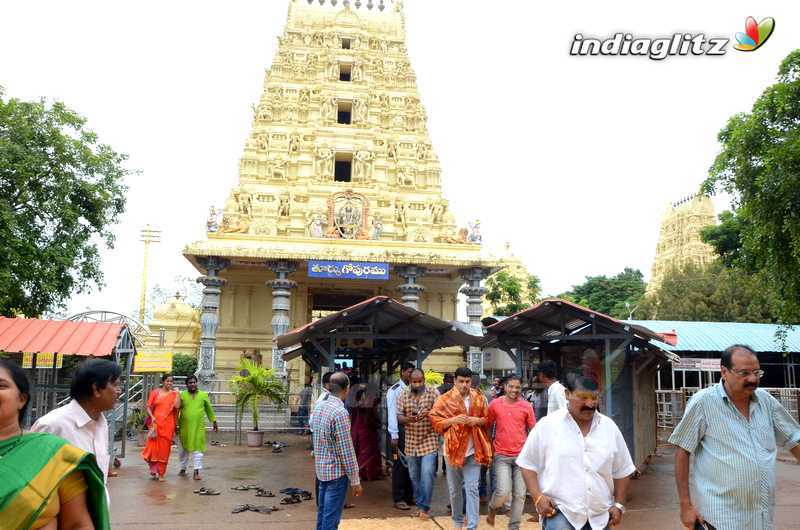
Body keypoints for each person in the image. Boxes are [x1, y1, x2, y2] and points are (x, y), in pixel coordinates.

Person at [670, 344, 800, 530]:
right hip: (722, 518)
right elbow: (682, 451)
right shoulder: (703, 403)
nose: (752, 379)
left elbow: (794, 438)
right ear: (724, 372)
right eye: (744, 373)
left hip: (761, 517)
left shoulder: (766, 401)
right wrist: (685, 505)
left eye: (757, 372)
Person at [0, 358, 110, 529]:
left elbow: (77, 524)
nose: (118, 390)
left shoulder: (53, 455)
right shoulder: (54, 423)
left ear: (21, 399)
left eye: (1, 386)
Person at [516, 370, 634, 530]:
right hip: (560, 514)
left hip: (600, 518)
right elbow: (527, 463)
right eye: (583, 397)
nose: (590, 403)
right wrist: (537, 497)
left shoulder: (609, 428)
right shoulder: (547, 426)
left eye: (594, 397)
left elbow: (623, 469)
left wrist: (619, 505)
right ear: (567, 394)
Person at [31, 358, 121, 485]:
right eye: (115, 385)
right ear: (96, 389)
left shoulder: (101, 423)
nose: (119, 391)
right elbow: (32, 479)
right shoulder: (52, 425)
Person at [429, 367, 492, 530]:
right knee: (455, 490)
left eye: (467, 381)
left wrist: (475, 421)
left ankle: (472, 526)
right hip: (453, 451)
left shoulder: (479, 397)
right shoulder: (444, 399)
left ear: (471, 381)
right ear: (455, 381)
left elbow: (487, 420)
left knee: (472, 488)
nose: (464, 385)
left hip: (474, 450)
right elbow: (435, 422)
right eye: (461, 381)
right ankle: (457, 522)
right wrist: (453, 420)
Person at [310, 371, 363, 530]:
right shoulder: (340, 413)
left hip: (322, 471)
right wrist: (355, 481)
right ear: (347, 389)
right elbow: (346, 451)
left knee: (323, 513)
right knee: (331, 519)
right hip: (336, 474)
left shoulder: (320, 406)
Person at [486, 375, 536, 529]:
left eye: (517, 387)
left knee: (520, 495)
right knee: (503, 491)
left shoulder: (526, 406)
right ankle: (492, 508)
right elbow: (488, 426)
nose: (514, 390)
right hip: (501, 455)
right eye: (511, 386)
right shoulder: (494, 404)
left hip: (522, 457)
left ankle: (514, 526)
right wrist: (489, 447)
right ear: (505, 387)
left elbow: (533, 430)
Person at [397, 368, 439, 519]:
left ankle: (424, 508)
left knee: (427, 474)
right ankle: (420, 503)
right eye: (414, 382)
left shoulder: (433, 393)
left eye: (420, 381)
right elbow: (399, 417)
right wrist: (409, 419)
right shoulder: (402, 394)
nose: (417, 384)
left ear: (424, 380)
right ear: (410, 381)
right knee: (414, 476)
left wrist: (429, 414)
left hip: (429, 440)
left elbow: (440, 412)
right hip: (411, 442)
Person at [177, 374, 218, 480]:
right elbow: (176, 409)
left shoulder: (203, 395)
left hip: (198, 428)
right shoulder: (182, 395)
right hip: (184, 428)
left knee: (198, 450)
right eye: (190, 383)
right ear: (186, 385)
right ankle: (183, 467)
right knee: (183, 450)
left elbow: (209, 409)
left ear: (197, 383)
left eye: (194, 382)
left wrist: (213, 421)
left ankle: (196, 471)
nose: (193, 384)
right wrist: (175, 424)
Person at [142, 373, 181, 481]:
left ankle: (161, 473)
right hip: (156, 424)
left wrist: (177, 393)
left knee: (164, 450)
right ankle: (154, 469)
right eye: (167, 381)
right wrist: (152, 417)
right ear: (163, 382)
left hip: (168, 425)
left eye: (171, 381)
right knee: (152, 449)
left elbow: (177, 406)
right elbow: (148, 406)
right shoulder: (155, 392)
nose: (169, 383)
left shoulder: (174, 394)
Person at [387, 361, 415, 510]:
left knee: (411, 464)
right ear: (402, 372)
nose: (411, 375)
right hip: (399, 431)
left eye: (413, 372)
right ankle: (399, 498)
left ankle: (409, 496)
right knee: (399, 464)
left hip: (411, 431)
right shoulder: (395, 390)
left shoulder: (414, 389)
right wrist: (394, 435)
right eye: (409, 372)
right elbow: (392, 414)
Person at [348, 384, 383, 481]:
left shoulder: (366, 402)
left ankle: (369, 473)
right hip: (363, 430)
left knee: (368, 451)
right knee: (364, 452)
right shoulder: (358, 404)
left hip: (367, 430)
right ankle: (366, 473)